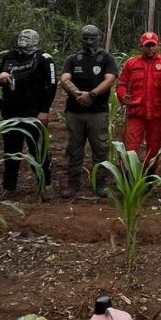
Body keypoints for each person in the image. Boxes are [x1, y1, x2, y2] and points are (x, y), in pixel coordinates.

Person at [0, 29, 57, 196]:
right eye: (22, 39)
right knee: (11, 150)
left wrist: (44, 110)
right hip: (10, 110)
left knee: (38, 149)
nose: (24, 42)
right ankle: (9, 187)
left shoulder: (44, 58)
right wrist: (1, 76)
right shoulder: (9, 57)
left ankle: (44, 185)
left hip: (34, 110)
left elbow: (52, 85)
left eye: (27, 40)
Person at [59, 25, 119, 199]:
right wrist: (77, 93)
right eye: (85, 38)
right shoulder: (72, 59)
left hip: (97, 112)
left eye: (93, 38)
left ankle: (101, 185)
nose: (89, 42)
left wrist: (91, 95)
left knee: (100, 148)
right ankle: (73, 184)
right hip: (75, 111)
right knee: (74, 149)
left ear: (99, 38)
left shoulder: (106, 58)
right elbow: (64, 78)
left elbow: (110, 79)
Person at [115, 31, 161, 169]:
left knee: (154, 147)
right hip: (135, 113)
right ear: (141, 46)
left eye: (153, 45)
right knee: (130, 147)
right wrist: (123, 95)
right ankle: (128, 173)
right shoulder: (131, 63)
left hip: (158, 114)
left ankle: (149, 174)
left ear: (158, 45)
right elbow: (121, 84)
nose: (150, 48)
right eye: (147, 45)